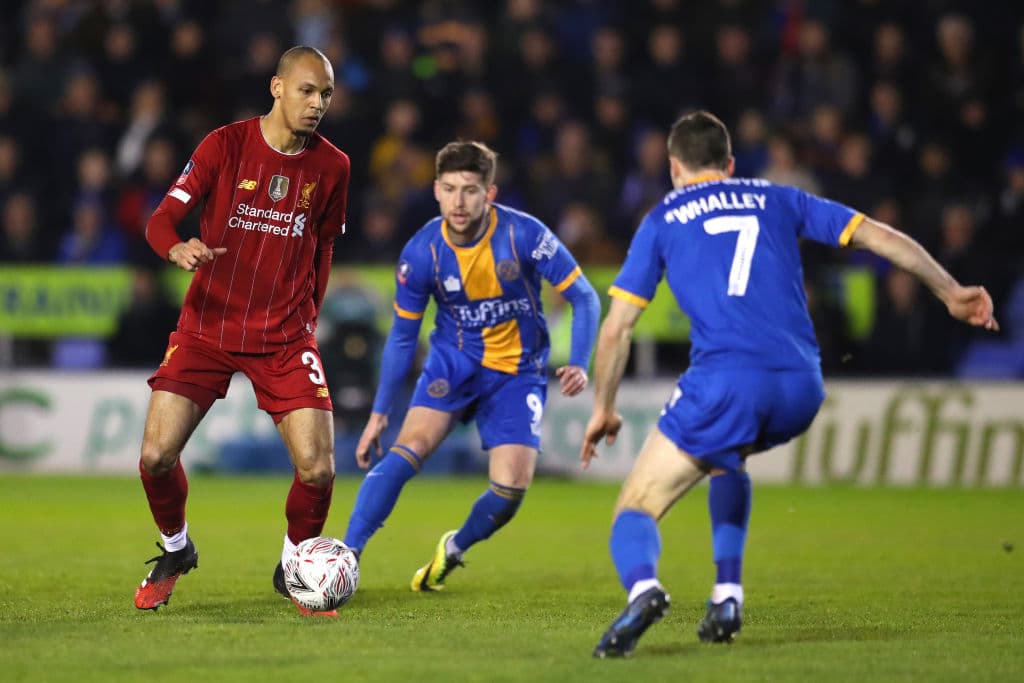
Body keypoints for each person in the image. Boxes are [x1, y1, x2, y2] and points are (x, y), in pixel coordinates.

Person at [581, 110, 999, 658]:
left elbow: (617, 330)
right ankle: (727, 594)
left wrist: (603, 407)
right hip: (803, 385)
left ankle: (645, 589)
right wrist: (950, 291)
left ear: (674, 167)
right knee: (727, 454)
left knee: (634, 508)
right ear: (729, 165)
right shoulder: (779, 196)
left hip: (727, 379)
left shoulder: (662, 217)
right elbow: (877, 235)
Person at [132, 46, 351, 617]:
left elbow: (323, 247)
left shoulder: (333, 167)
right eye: (307, 90)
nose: (318, 104)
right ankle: (177, 550)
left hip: (284, 333)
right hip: (208, 324)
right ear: (276, 87)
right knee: (156, 456)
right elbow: (160, 220)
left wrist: (311, 315)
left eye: (326, 94)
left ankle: (296, 565)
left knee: (319, 466)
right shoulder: (223, 145)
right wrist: (176, 246)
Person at [343, 140, 600, 591]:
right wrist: (379, 413)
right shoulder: (422, 252)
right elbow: (403, 337)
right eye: (450, 189)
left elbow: (585, 296)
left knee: (510, 489)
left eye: (470, 190)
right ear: (436, 191)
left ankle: (454, 548)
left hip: (516, 374)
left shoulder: (524, 235)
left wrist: (579, 361)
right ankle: (346, 558)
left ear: (490, 194)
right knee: (408, 450)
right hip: (453, 364)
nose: (459, 201)